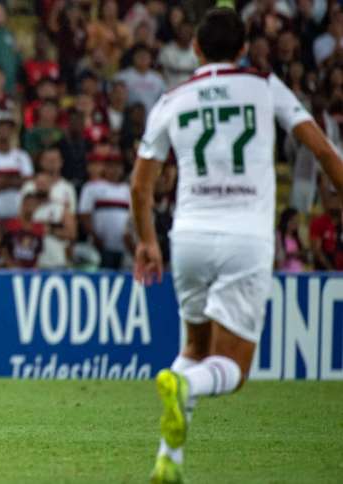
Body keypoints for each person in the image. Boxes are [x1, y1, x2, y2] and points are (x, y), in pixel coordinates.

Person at [130, 9, 343, 483]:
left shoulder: (173, 97)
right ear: (244, 48)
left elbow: (141, 186)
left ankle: (169, 459)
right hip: (245, 236)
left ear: (196, 51)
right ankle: (186, 383)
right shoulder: (264, 86)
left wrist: (147, 241)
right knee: (232, 367)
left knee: (194, 345)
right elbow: (323, 150)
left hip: (187, 236)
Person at [275, 207, 307, 272]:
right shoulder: (278, 235)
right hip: (284, 274)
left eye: (297, 221)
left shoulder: (296, 237)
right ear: (285, 220)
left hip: (299, 273)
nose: (295, 223)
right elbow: (277, 257)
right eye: (292, 220)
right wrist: (290, 255)